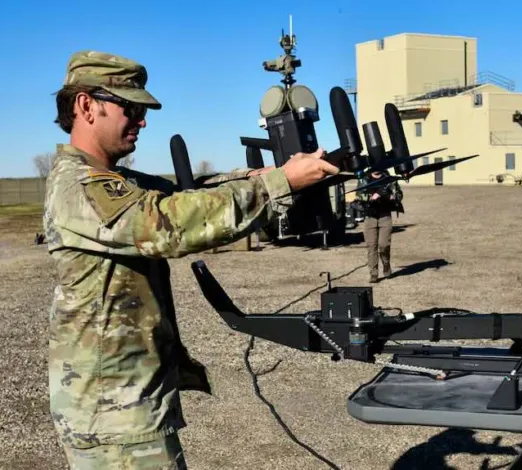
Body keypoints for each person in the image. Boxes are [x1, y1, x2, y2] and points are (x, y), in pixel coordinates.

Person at [44, 50, 339, 469]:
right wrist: (280, 184)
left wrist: (257, 177)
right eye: (129, 107)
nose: (141, 120)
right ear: (86, 105)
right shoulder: (79, 185)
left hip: (124, 401)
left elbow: (184, 193)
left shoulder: (113, 180)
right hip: (113, 415)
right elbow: (166, 223)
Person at [359, 170, 404, 283]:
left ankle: (386, 264)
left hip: (385, 216)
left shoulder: (388, 178)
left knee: (384, 245)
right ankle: (373, 273)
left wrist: (393, 196)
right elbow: (360, 195)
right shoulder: (364, 179)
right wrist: (371, 197)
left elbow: (399, 194)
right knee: (371, 246)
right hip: (370, 217)